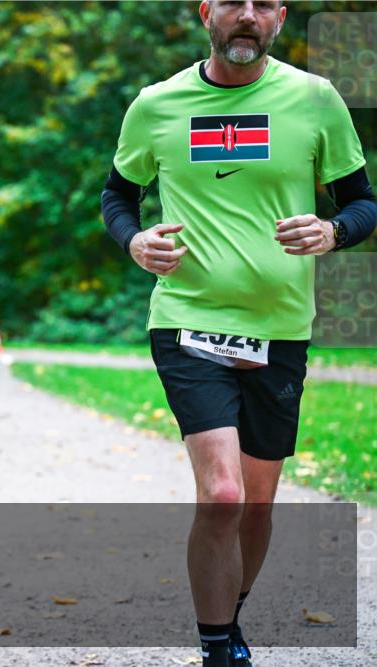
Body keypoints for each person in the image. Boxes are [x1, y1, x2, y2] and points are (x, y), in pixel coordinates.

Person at [101, 2, 376, 666]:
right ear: (207, 13)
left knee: (255, 504)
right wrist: (134, 240)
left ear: (279, 16)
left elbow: (363, 201)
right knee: (221, 494)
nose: (246, 16)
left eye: (261, 4)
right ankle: (218, 648)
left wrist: (333, 230)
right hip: (188, 320)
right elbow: (118, 196)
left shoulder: (315, 99)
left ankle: (229, 614)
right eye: (232, 3)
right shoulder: (157, 104)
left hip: (280, 329)